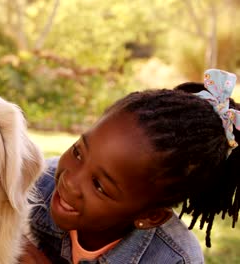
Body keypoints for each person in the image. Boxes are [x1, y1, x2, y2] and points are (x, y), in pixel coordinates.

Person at [20, 69, 240, 264]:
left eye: (98, 185)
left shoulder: (174, 258)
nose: (70, 181)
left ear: (150, 216)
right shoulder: (36, 182)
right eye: (78, 152)